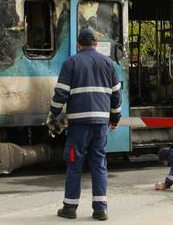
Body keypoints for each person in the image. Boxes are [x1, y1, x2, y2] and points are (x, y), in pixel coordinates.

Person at [46, 27, 122, 221]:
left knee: (74, 163)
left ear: (79, 45)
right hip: (101, 124)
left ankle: (70, 208)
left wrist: (52, 115)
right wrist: (114, 119)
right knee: (99, 164)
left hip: (79, 124)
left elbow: (61, 94)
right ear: (96, 45)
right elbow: (116, 96)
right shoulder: (108, 63)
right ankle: (100, 210)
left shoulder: (71, 62)